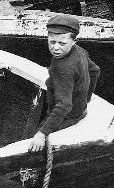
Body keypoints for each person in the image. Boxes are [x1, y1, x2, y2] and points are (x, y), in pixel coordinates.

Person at [28, 14, 101, 153]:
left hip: (68, 116)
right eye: (52, 42)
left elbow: (64, 105)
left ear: (74, 41)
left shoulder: (63, 68)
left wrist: (42, 134)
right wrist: (86, 99)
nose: (55, 48)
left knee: (36, 137)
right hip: (80, 110)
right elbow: (95, 71)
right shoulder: (80, 51)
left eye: (62, 44)